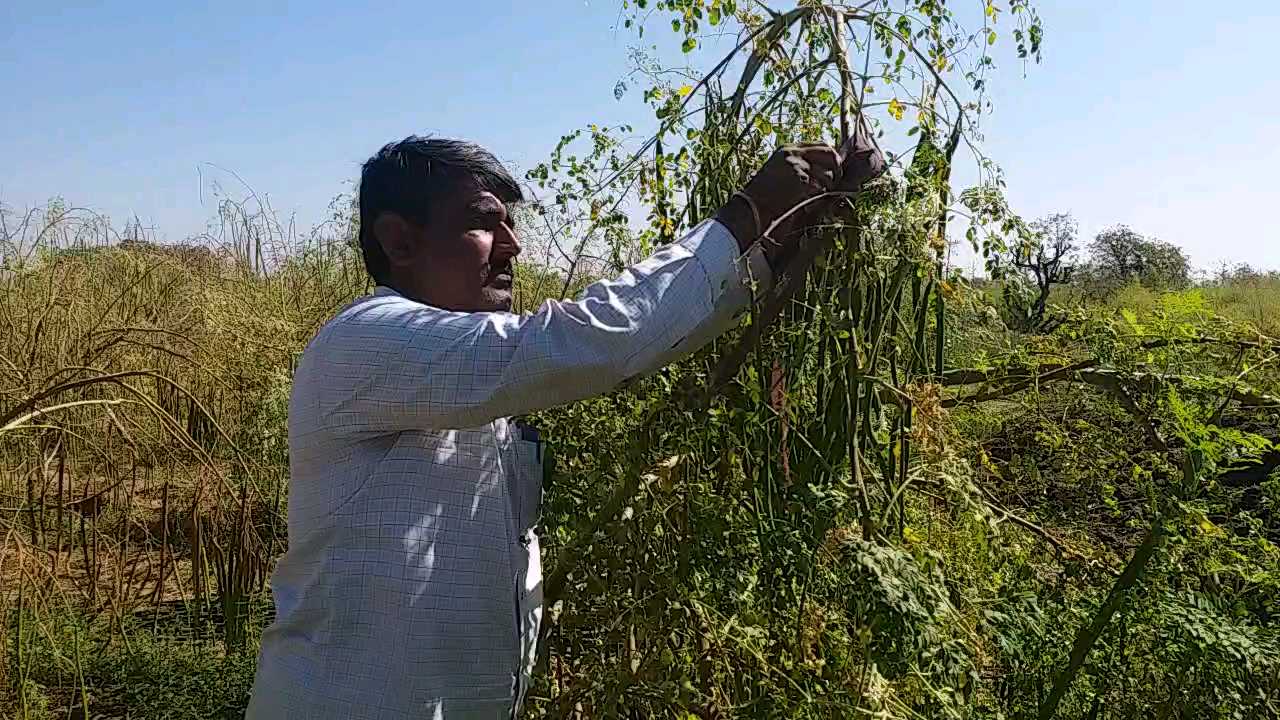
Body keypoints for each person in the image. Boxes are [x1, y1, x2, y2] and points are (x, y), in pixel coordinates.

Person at [247, 132, 884, 719]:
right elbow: (592, 342)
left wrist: (772, 246)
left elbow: (642, 343)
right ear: (400, 241)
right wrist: (745, 214)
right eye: (483, 222)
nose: (514, 246)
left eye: (511, 224)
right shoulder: (365, 343)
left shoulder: (463, 370)